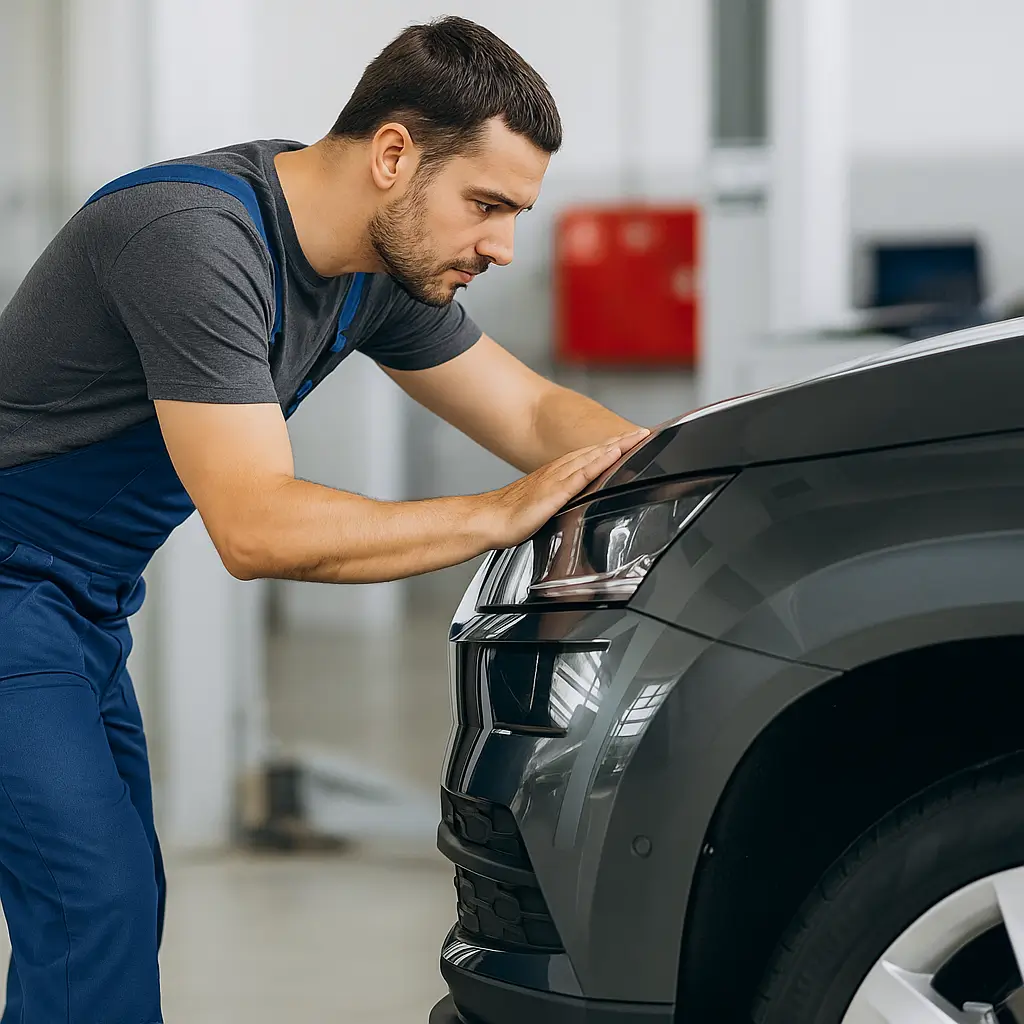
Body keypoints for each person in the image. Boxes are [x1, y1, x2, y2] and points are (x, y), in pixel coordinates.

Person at [0, 14, 647, 1023]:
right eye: (485, 204)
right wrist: (494, 514)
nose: (503, 246)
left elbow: (527, 409)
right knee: (92, 906)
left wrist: (691, 466)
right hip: (8, 593)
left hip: (78, 608)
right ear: (394, 154)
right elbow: (259, 526)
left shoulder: (373, 276)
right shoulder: (194, 238)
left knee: (118, 906)